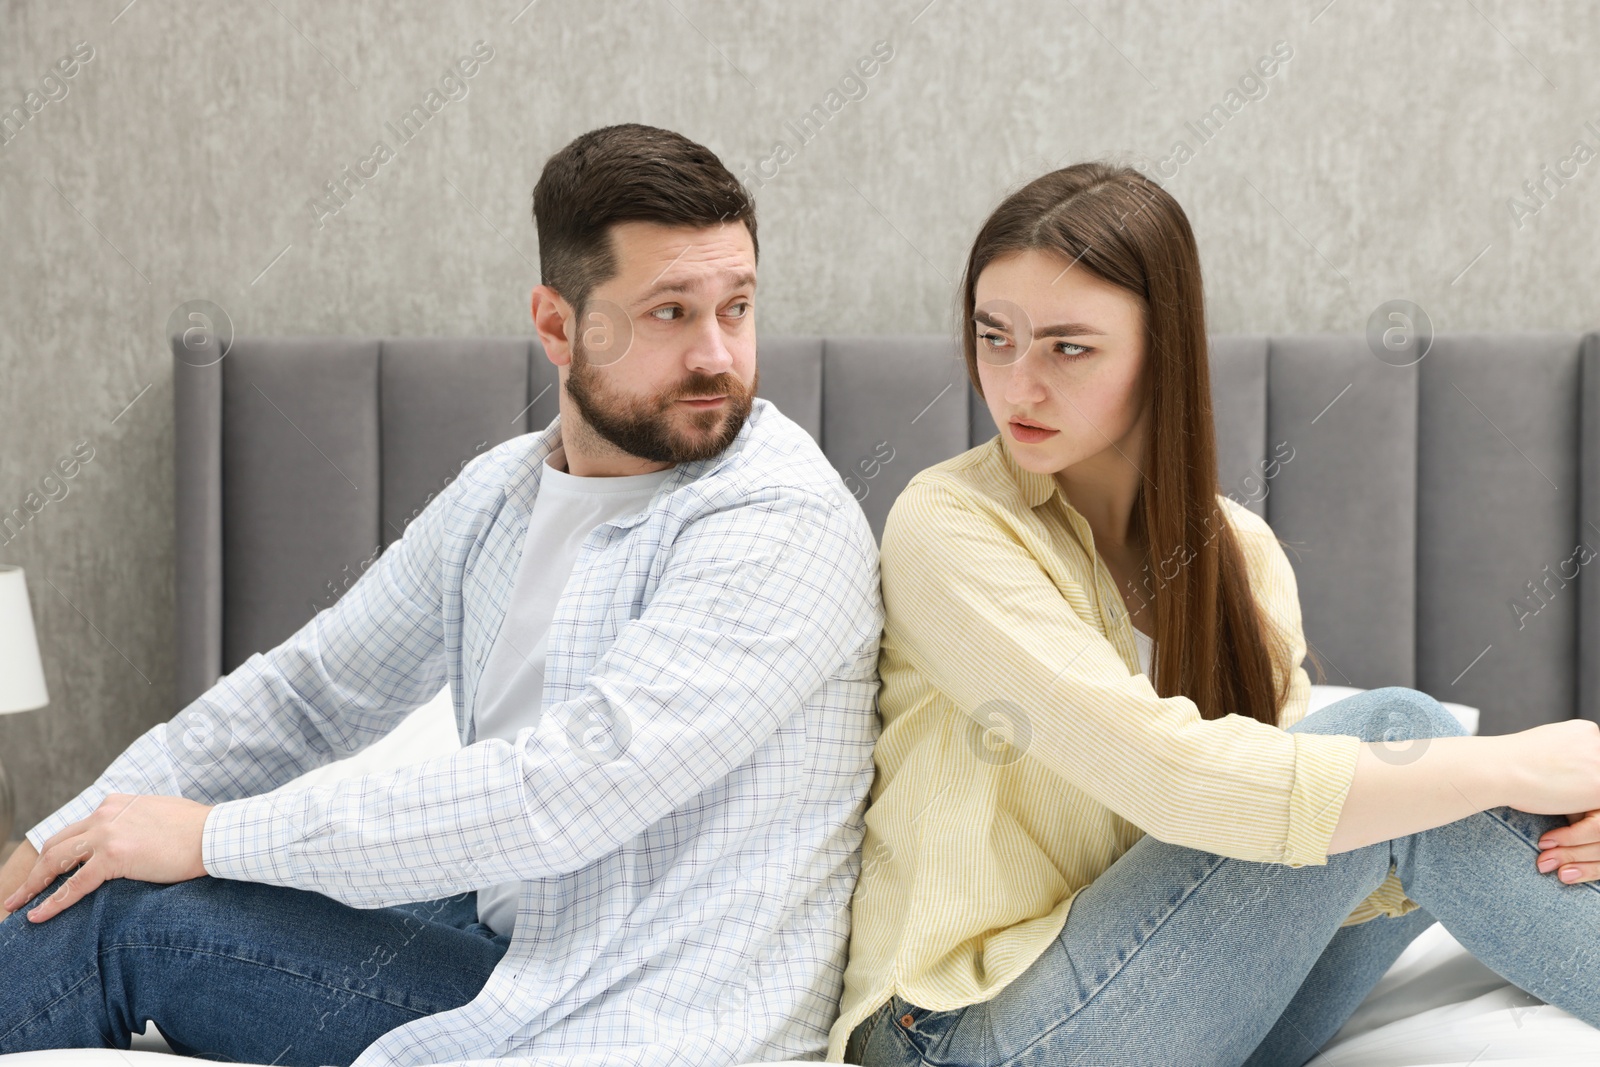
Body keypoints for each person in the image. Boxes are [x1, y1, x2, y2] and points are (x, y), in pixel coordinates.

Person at [0, 123, 885, 1067]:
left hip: (626, 1011)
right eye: (671, 312)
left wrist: (212, 836)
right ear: (556, 325)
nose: (718, 354)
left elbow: (558, 794)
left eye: (737, 307)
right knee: (87, 886)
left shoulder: (779, 520)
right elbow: (308, 695)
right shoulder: (500, 495)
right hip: (510, 937)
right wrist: (51, 840)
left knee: (126, 928)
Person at [828, 161, 1600, 1066]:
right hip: (958, 1032)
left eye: (1066, 347)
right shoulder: (949, 524)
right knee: (1408, 738)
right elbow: (1173, 778)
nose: (1015, 385)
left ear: (1165, 347)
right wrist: (1520, 763)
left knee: (1416, 791)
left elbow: (1282, 836)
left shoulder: (1241, 555)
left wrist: (1531, 815)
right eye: (995, 337)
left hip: (1170, 1001)